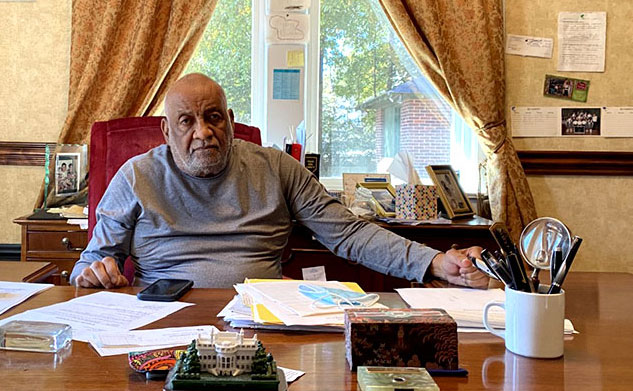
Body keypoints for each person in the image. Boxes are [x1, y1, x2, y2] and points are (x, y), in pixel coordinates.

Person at [71, 73, 488, 289]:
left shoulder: (275, 167)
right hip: (164, 319)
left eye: (213, 117)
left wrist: (433, 262)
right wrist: (92, 274)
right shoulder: (136, 176)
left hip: (262, 317)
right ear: (166, 131)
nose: (203, 132)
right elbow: (90, 263)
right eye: (186, 121)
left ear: (230, 121)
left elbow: (349, 233)